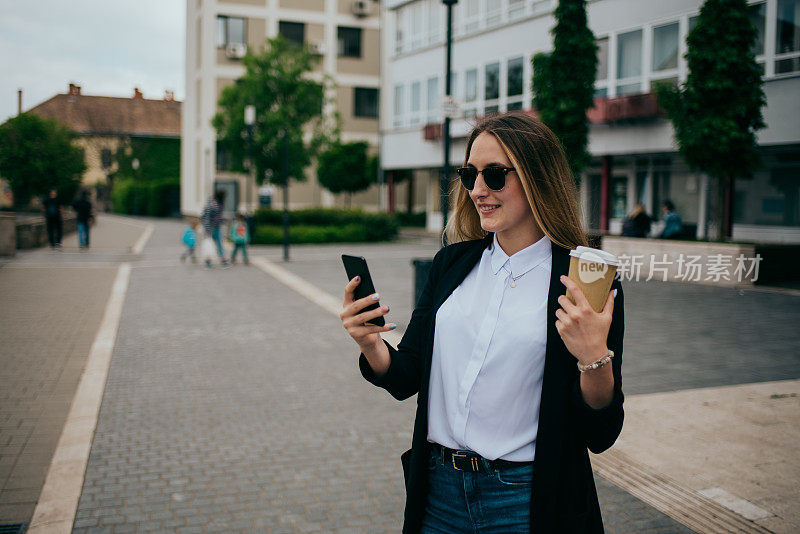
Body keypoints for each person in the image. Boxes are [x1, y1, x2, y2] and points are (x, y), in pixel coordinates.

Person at [340, 112, 624, 533]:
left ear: (536, 179)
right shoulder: (451, 264)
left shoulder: (583, 280)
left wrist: (593, 357)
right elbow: (406, 376)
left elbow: (599, 431)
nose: (477, 190)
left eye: (494, 175)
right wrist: (369, 342)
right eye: (469, 174)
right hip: (438, 495)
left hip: (526, 501)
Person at [201, 190, 229, 266]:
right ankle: (208, 261)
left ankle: (222, 260)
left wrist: (224, 221)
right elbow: (207, 216)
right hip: (210, 227)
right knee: (210, 244)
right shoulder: (213, 204)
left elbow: (219, 216)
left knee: (219, 243)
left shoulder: (218, 203)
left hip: (216, 226)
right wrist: (207, 229)